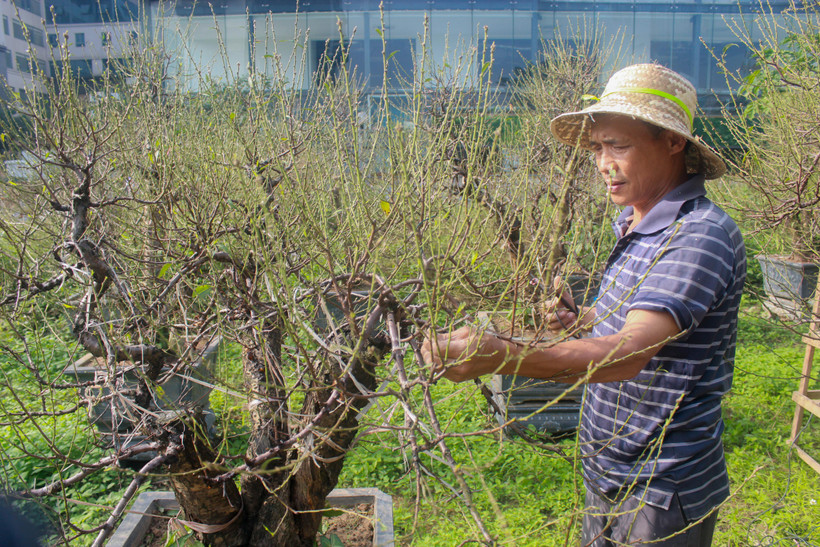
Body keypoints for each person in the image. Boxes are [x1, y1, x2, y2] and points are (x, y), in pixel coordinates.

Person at [422, 63, 746, 546]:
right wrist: (581, 322)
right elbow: (630, 326)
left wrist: (504, 357)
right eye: (597, 147)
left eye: (619, 145)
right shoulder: (635, 226)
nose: (602, 163)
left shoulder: (698, 235)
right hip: (609, 465)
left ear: (673, 142)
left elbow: (630, 354)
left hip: (660, 485)